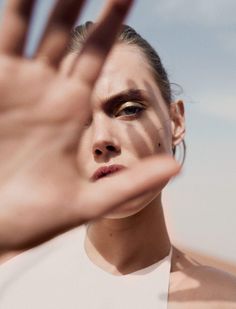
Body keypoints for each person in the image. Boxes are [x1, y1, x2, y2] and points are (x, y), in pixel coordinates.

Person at [0, 0, 235, 308]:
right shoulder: (13, 285)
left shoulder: (222, 299)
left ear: (176, 121)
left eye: (128, 110)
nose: (101, 139)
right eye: (75, 122)